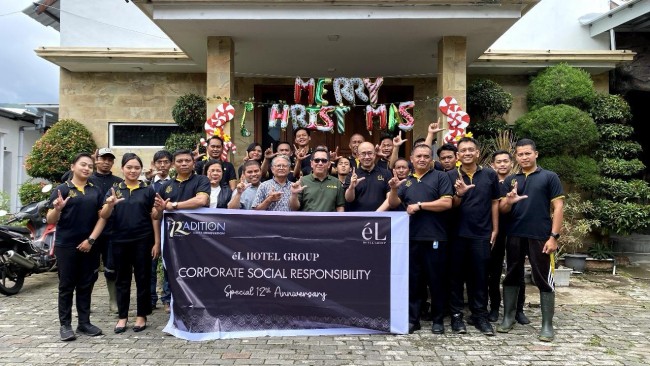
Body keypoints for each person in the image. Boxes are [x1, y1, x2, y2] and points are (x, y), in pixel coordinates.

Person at [497, 139, 564, 342]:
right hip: (515, 234)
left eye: (527, 153)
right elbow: (502, 209)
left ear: (536, 154)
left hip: (540, 236)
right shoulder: (511, 180)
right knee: (511, 275)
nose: (524, 157)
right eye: (520, 154)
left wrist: (553, 237)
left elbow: (558, 207)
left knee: (543, 278)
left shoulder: (549, 177)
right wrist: (508, 201)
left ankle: (547, 325)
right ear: (515, 157)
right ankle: (508, 317)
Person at [387, 144, 453, 334]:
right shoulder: (407, 181)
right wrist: (393, 189)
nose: (422, 159)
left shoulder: (441, 177)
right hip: (411, 238)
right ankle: (413, 319)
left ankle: (438, 319)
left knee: (436, 281)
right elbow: (393, 204)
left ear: (431, 159)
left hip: (435, 237)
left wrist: (420, 205)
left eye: (426, 156)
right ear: (412, 159)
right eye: (419, 156)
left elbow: (447, 202)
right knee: (414, 282)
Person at [47, 153, 107, 341]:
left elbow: (102, 217)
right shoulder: (61, 190)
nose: (87, 168)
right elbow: (50, 220)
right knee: (66, 286)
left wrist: (90, 240)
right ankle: (65, 325)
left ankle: (84, 323)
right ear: (73, 166)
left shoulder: (95, 190)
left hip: (89, 245)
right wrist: (57, 208)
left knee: (86, 284)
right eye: (83, 165)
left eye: (90, 165)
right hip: (66, 245)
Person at [100, 153, 160, 334]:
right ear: (123, 168)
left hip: (143, 240)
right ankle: (123, 317)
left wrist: (157, 241)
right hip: (119, 240)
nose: (133, 171)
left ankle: (142, 316)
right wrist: (110, 204)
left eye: (136, 168)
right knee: (122, 280)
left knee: (143, 278)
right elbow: (103, 215)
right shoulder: (114, 189)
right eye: (129, 167)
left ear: (141, 170)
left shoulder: (148, 189)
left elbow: (154, 217)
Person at [446, 137, 500, 336]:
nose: (467, 153)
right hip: (456, 234)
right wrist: (459, 194)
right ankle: (457, 316)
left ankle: (480, 315)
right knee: (456, 277)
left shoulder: (489, 175)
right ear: (458, 156)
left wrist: (495, 228)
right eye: (463, 150)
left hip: (481, 234)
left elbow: (495, 201)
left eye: (471, 149)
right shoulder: (449, 176)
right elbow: (449, 205)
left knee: (479, 277)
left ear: (478, 153)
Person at [152, 149, 210, 314]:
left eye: (187, 160)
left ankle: (196, 302)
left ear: (193, 162)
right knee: (171, 269)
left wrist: (174, 205)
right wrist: (160, 209)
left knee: (195, 270)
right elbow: (156, 215)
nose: (184, 164)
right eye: (179, 161)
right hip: (172, 238)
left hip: (196, 236)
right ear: (173, 164)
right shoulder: (165, 186)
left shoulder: (201, 180)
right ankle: (170, 301)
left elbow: (202, 200)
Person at [488, 150, 529, 324]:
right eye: (499, 162)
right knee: (494, 271)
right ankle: (495, 308)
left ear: (511, 164)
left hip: (515, 230)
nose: (502, 164)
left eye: (506, 161)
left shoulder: (518, 181)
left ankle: (518, 309)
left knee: (517, 269)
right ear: (493, 165)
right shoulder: (489, 182)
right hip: (494, 230)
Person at [89, 148, 123, 313]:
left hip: (112, 230)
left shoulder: (118, 181)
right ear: (96, 160)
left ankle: (113, 300)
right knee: (89, 269)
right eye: (103, 158)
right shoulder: (87, 179)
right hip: (90, 230)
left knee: (112, 268)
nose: (106, 162)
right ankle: (85, 302)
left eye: (110, 159)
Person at [147, 150, 173, 312]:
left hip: (170, 230)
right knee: (150, 265)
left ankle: (167, 298)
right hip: (150, 230)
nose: (162, 165)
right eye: (159, 162)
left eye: (165, 162)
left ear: (171, 164)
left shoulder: (174, 183)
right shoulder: (149, 184)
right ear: (154, 164)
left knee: (168, 266)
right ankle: (150, 299)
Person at [289, 147, 345, 212]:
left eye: (324, 160)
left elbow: (340, 207)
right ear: (311, 164)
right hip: (308, 221)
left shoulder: (336, 182)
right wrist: (294, 194)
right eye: (317, 160)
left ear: (329, 164)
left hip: (330, 222)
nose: (320, 163)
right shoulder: (302, 181)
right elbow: (294, 208)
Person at [344, 142, 392, 212]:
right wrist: (351, 187)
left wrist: (376, 214)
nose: (367, 157)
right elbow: (349, 199)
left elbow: (390, 198)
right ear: (358, 156)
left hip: (380, 218)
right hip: (358, 219)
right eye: (363, 154)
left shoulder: (386, 173)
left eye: (370, 153)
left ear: (374, 155)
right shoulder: (352, 175)